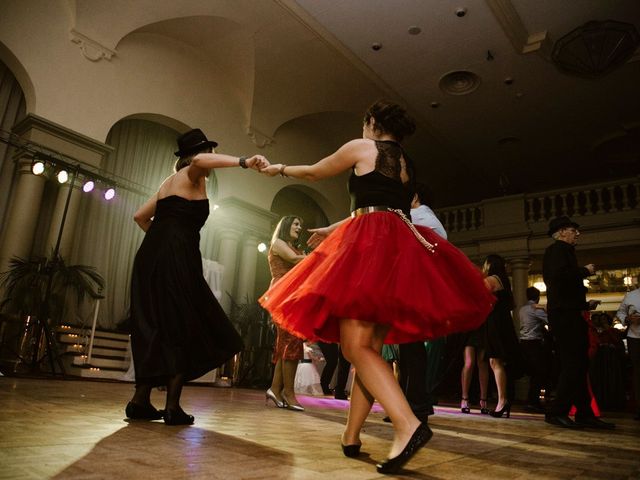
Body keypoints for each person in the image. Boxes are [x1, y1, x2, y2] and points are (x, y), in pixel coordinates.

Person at [259, 100, 495, 474]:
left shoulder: (363, 146)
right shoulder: (406, 162)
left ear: (371, 123)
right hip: (397, 251)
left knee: (356, 348)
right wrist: (334, 229)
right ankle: (351, 435)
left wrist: (279, 168)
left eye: (364, 123)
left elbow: (316, 173)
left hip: (369, 249)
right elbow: (379, 206)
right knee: (369, 350)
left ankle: (407, 424)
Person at [125, 128, 268, 425]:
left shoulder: (170, 182)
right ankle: (172, 407)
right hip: (177, 255)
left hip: (152, 255)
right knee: (181, 322)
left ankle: (140, 400)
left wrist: (161, 242)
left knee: (155, 325)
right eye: (210, 152)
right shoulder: (192, 173)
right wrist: (244, 161)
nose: (213, 157)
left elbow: (140, 216)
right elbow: (202, 161)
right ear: (198, 155)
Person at [542, 215, 614, 429]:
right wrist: (585, 271)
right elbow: (558, 277)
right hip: (565, 317)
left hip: (568, 313)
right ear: (562, 232)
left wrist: (584, 305)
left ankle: (584, 413)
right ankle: (558, 411)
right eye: (573, 230)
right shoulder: (557, 250)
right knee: (574, 364)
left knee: (578, 365)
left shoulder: (561, 251)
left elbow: (561, 285)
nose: (577, 233)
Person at [397, 183, 448, 422]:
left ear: (414, 197)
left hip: (416, 288)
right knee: (409, 349)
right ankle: (413, 403)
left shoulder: (420, 216)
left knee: (412, 349)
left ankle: (417, 404)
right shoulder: (426, 217)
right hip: (418, 287)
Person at [264, 216, 307, 411]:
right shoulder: (278, 242)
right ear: (285, 225)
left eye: (300, 225)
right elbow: (295, 259)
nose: (299, 228)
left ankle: (275, 388)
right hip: (283, 294)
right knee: (292, 341)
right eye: (296, 224)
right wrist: (324, 253)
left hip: (292, 295)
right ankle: (289, 393)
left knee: (286, 344)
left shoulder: (290, 245)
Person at [483, 254, 522, 418]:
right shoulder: (504, 281)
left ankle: (502, 401)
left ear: (490, 265)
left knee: (495, 361)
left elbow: (476, 296)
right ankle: (503, 400)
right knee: (496, 362)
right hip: (502, 323)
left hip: (495, 323)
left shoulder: (491, 279)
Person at [518, 286, 551, 413]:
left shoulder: (522, 309)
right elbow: (550, 321)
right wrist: (545, 309)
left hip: (523, 343)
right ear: (537, 297)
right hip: (534, 344)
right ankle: (533, 402)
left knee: (534, 373)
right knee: (540, 373)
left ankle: (532, 401)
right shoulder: (535, 309)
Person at [615, 286, 640, 420]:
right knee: (637, 373)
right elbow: (620, 312)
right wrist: (628, 319)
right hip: (634, 337)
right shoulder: (631, 295)